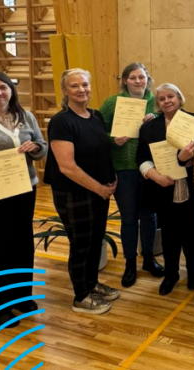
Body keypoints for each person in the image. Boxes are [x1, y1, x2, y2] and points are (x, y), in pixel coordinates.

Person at [44, 69, 120, 314]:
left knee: (95, 240)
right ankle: (81, 296)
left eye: (85, 84)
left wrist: (112, 179)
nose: (81, 89)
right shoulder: (62, 121)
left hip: (99, 192)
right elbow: (67, 167)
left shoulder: (96, 116)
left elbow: (100, 150)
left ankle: (91, 284)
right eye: (74, 85)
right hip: (74, 193)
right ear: (65, 90)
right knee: (81, 244)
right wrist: (99, 188)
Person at [0, 72, 47, 328]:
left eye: (3, 87)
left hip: (24, 187)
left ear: (11, 90)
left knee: (21, 242)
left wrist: (36, 148)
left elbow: (42, 146)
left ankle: (20, 295)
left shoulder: (25, 115)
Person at [136, 83, 194, 296]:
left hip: (193, 190)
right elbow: (141, 158)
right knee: (169, 236)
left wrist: (191, 158)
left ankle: (193, 272)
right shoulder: (149, 127)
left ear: (179, 98)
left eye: (171, 96)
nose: (167, 101)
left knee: (192, 235)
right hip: (163, 190)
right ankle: (171, 274)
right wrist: (156, 177)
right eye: (162, 98)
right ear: (158, 103)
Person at [99, 62, 162, 287]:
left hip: (151, 167)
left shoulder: (156, 101)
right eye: (133, 77)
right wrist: (112, 140)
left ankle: (148, 258)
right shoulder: (112, 103)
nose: (137, 81)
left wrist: (155, 121)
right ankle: (130, 263)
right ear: (125, 80)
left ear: (147, 79)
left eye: (141, 77)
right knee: (128, 218)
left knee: (150, 216)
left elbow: (168, 126)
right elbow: (98, 130)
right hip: (124, 168)